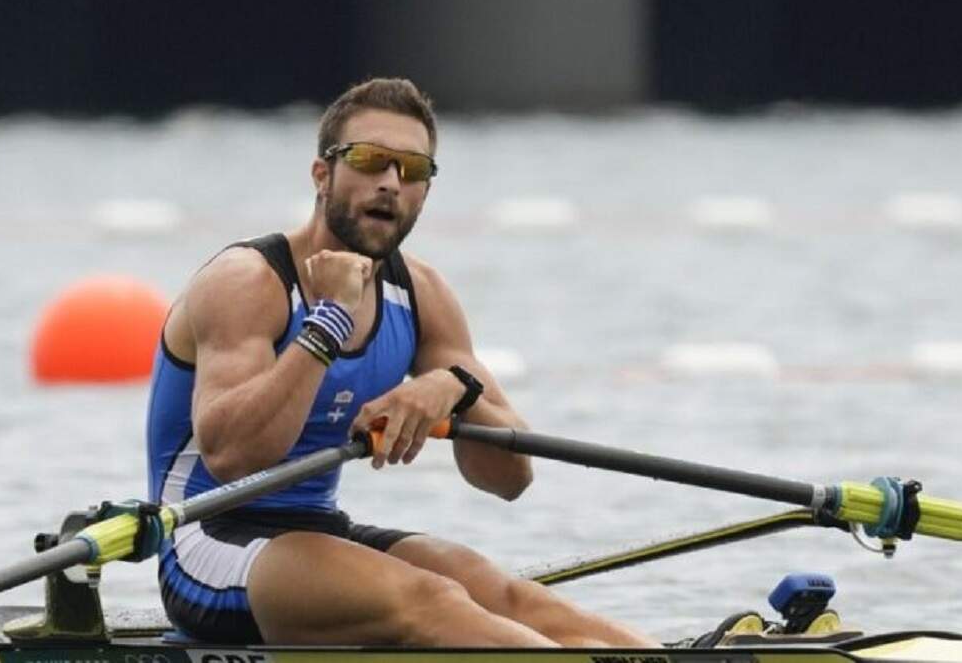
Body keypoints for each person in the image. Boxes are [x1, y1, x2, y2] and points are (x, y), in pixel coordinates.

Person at [146, 77, 659, 648]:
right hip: (207, 545)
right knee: (434, 601)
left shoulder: (420, 293)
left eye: (413, 170)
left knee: (507, 596)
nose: (391, 182)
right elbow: (232, 455)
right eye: (370, 160)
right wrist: (330, 319)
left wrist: (456, 388)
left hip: (319, 533)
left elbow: (511, 478)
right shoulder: (246, 283)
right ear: (322, 175)